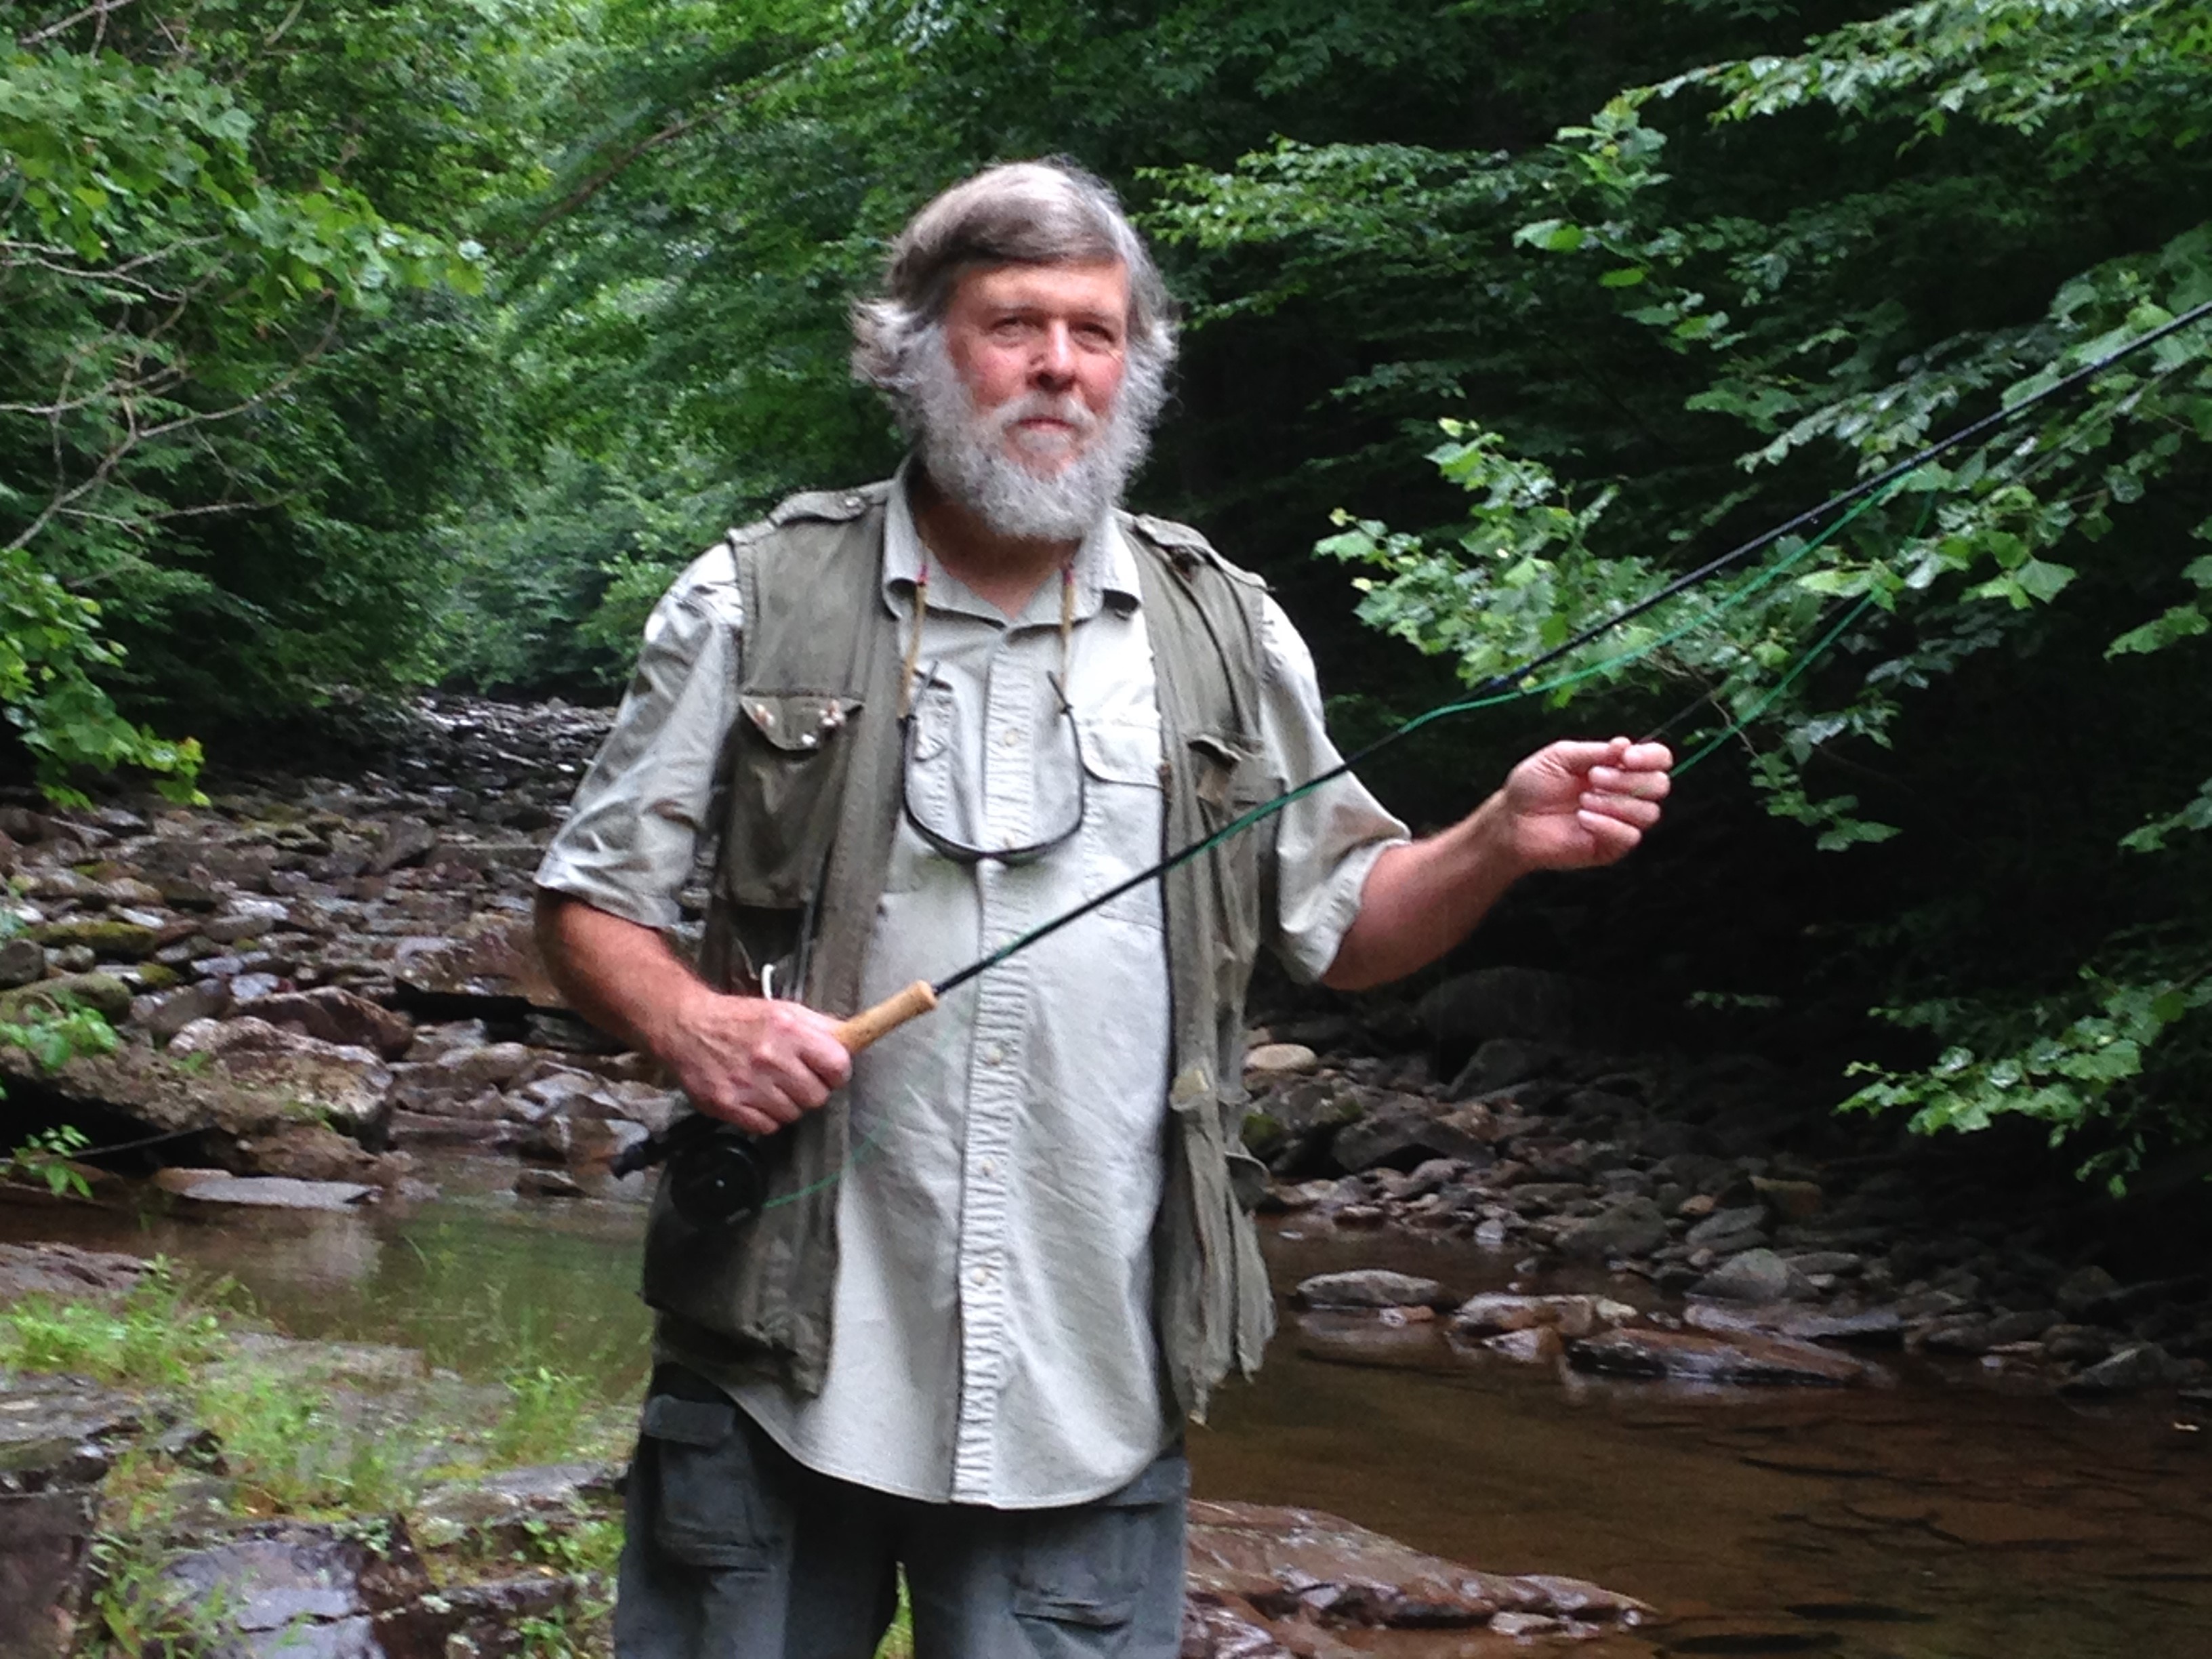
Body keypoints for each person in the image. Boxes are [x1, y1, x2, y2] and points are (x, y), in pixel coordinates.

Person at [533, 159, 1671, 1659]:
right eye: (1014, 325)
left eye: (1097, 331)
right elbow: (585, 902)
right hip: (778, 1354)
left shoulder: (1228, 628)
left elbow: (1344, 925)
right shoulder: (756, 595)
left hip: (1092, 1363)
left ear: (1135, 366)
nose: (1060, 365)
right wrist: (690, 1023)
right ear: (916, 349)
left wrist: (1499, 838)